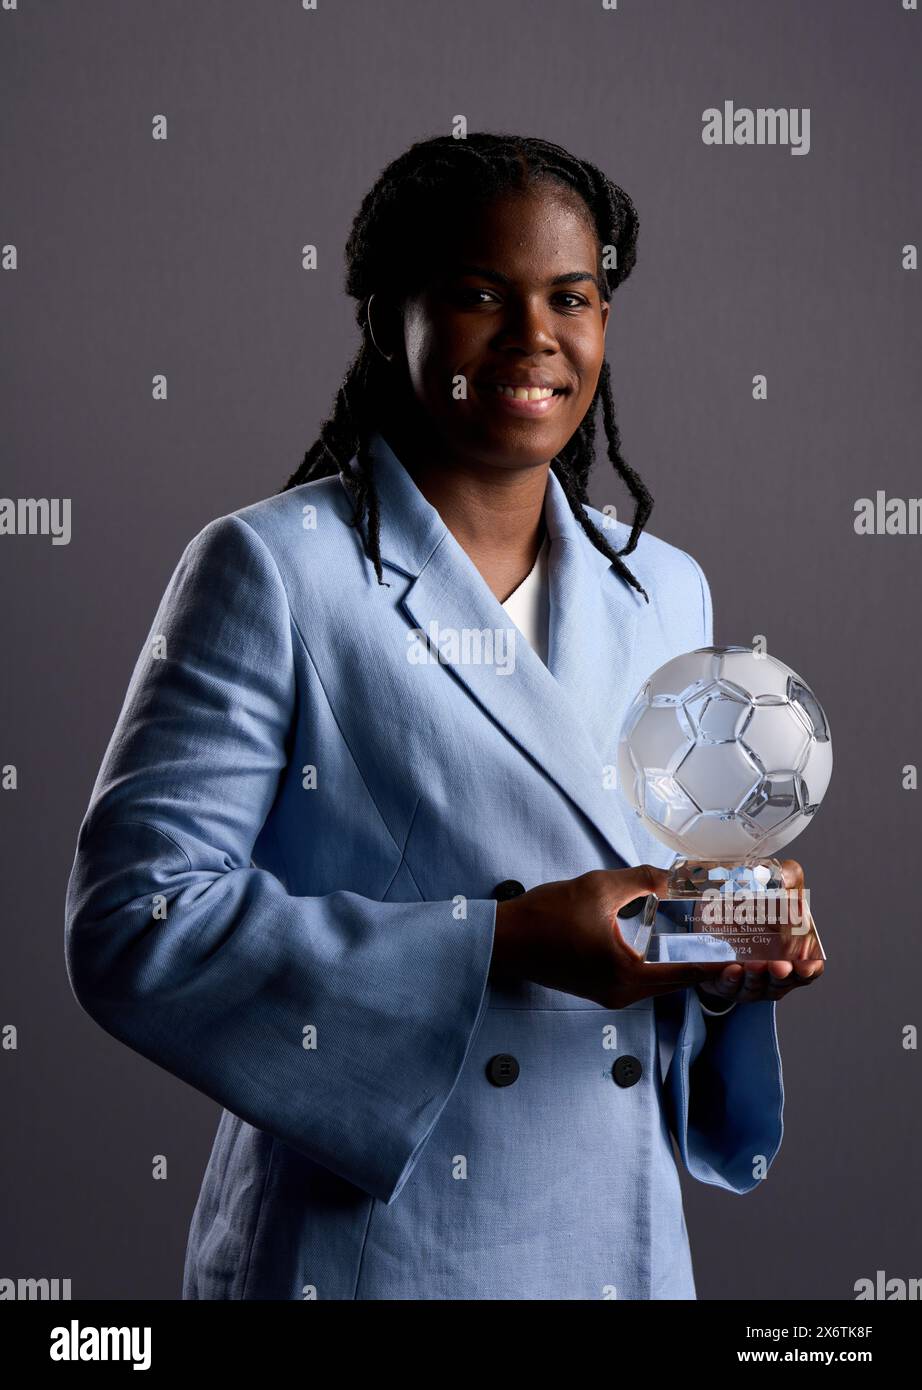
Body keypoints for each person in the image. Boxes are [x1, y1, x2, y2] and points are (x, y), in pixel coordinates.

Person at [64, 132, 822, 1301]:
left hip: (615, 1243)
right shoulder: (272, 569)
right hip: (378, 1248)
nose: (535, 337)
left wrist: (726, 950)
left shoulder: (665, 585)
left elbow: (650, 904)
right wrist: (503, 941)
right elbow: (135, 921)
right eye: (479, 295)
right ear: (385, 320)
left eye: (572, 296)